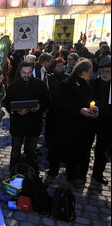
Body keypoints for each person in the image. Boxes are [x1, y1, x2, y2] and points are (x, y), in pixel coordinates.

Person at [47, 59, 96, 189]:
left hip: (78, 128)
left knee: (74, 152)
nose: (91, 74)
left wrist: (93, 110)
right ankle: (52, 173)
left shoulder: (87, 86)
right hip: (61, 126)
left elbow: (89, 102)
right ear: (82, 73)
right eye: (90, 72)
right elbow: (59, 104)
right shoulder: (66, 85)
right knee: (56, 152)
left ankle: (72, 176)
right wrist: (79, 109)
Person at [5, 62, 49, 173]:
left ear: (32, 72)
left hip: (34, 124)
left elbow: (47, 101)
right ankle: (14, 171)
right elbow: (6, 103)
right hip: (18, 124)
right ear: (20, 72)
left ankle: (31, 172)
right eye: (24, 73)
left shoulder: (40, 85)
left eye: (29, 73)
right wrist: (15, 111)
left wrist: (39, 107)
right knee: (15, 151)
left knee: (31, 151)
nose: (26, 75)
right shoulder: (13, 86)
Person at [91, 55, 111, 186]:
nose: (105, 74)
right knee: (85, 147)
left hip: (108, 122)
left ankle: (98, 174)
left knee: (102, 150)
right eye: (103, 71)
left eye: (108, 71)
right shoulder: (94, 83)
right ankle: (81, 172)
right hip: (92, 119)